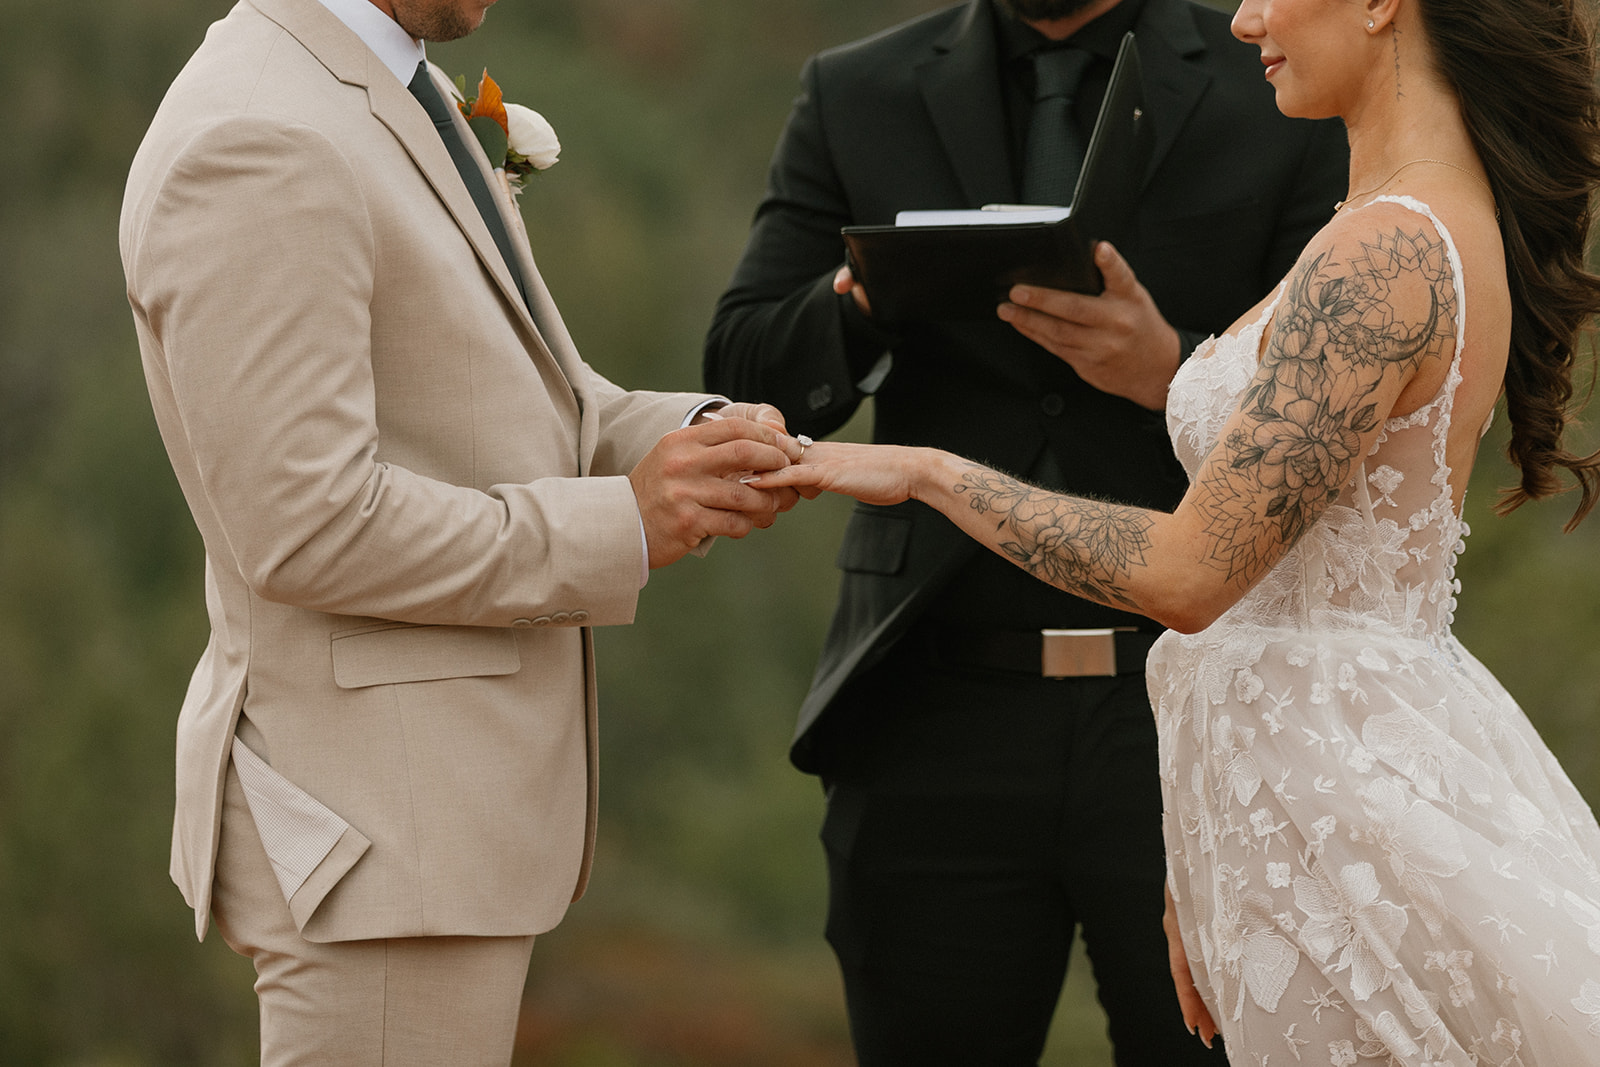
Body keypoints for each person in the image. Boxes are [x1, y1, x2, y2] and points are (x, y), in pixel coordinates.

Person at [756, 0, 1600, 1059]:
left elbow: (1192, 572)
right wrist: (1204, 839)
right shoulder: (1391, 220)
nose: (1245, 18)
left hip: (1335, 800)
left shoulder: (1386, 250)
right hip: (1284, 786)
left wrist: (927, 472)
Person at [118, 0, 804, 1061]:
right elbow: (306, 525)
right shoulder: (258, 135)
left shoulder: (396, 82)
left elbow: (527, 402)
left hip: (434, 833)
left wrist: (693, 437)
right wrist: (620, 523)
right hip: (378, 839)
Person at [704, 0, 1346, 1060]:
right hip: (930, 706)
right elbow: (743, 371)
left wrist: (1166, 366)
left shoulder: (1273, 84)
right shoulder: (856, 88)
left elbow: (1334, 419)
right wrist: (864, 299)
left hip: (1193, 696)